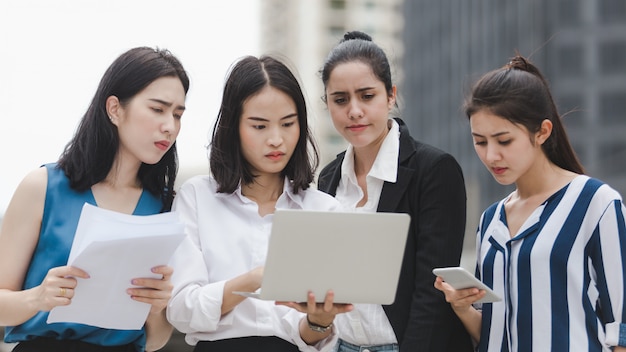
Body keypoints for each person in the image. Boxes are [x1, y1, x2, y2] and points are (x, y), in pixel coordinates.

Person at [0, 46, 190, 352]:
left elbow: (155, 342)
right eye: (158, 109)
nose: (170, 126)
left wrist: (156, 306)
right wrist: (36, 297)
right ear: (114, 109)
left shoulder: (166, 207)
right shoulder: (43, 187)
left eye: (178, 114)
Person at [434, 55, 626, 351]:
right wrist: (462, 308)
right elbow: (491, 332)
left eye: (504, 140)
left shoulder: (596, 204)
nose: (490, 156)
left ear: (543, 131)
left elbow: (620, 329)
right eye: (480, 141)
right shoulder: (490, 221)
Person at [166, 55, 353, 352]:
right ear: (233, 127)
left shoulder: (324, 210)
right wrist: (255, 279)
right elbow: (181, 310)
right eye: (259, 126)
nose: (276, 139)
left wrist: (320, 321)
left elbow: (315, 337)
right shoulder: (197, 197)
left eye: (288, 124)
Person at [317, 31, 473, 351]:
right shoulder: (328, 180)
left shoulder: (435, 171)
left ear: (391, 96)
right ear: (327, 103)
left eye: (367, 95)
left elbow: (431, 292)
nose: (354, 110)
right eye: (341, 99)